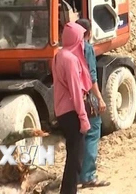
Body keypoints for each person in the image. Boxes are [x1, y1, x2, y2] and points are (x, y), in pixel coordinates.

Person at [52, 22, 92, 194]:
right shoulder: (71, 60)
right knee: (76, 159)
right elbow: (76, 92)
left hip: (62, 111)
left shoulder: (59, 55)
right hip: (71, 112)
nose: (83, 41)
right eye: (81, 37)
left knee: (72, 156)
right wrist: (83, 118)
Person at [75, 18, 110, 188]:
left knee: (77, 137)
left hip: (72, 99)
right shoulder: (86, 48)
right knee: (92, 133)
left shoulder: (67, 50)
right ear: (88, 33)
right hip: (88, 98)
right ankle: (88, 176)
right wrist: (100, 99)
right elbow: (91, 77)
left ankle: (75, 175)